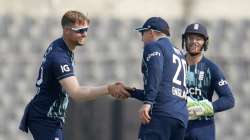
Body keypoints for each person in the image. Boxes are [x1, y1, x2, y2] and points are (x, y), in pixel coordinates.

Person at [18, 10, 129, 140]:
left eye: (86, 29)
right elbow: (76, 93)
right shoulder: (59, 56)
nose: (84, 34)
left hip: (49, 117)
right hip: (45, 117)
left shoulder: (62, 46)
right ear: (66, 30)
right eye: (80, 30)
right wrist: (109, 89)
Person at [114, 17, 189, 140]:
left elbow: (155, 72)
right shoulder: (180, 54)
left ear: (151, 32)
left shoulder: (154, 46)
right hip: (180, 118)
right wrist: (131, 92)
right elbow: (165, 91)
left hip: (160, 115)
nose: (141, 39)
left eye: (142, 33)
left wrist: (148, 103)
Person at [182, 23, 235, 140]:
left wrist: (202, 108)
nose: (194, 42)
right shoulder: (175, 65)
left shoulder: (212, 68)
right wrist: (134, 92)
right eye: (190, 38)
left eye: (198, 39)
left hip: (202, 130)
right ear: (184, 40)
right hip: (178, 128)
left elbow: (229, 100)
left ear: (205, 42)